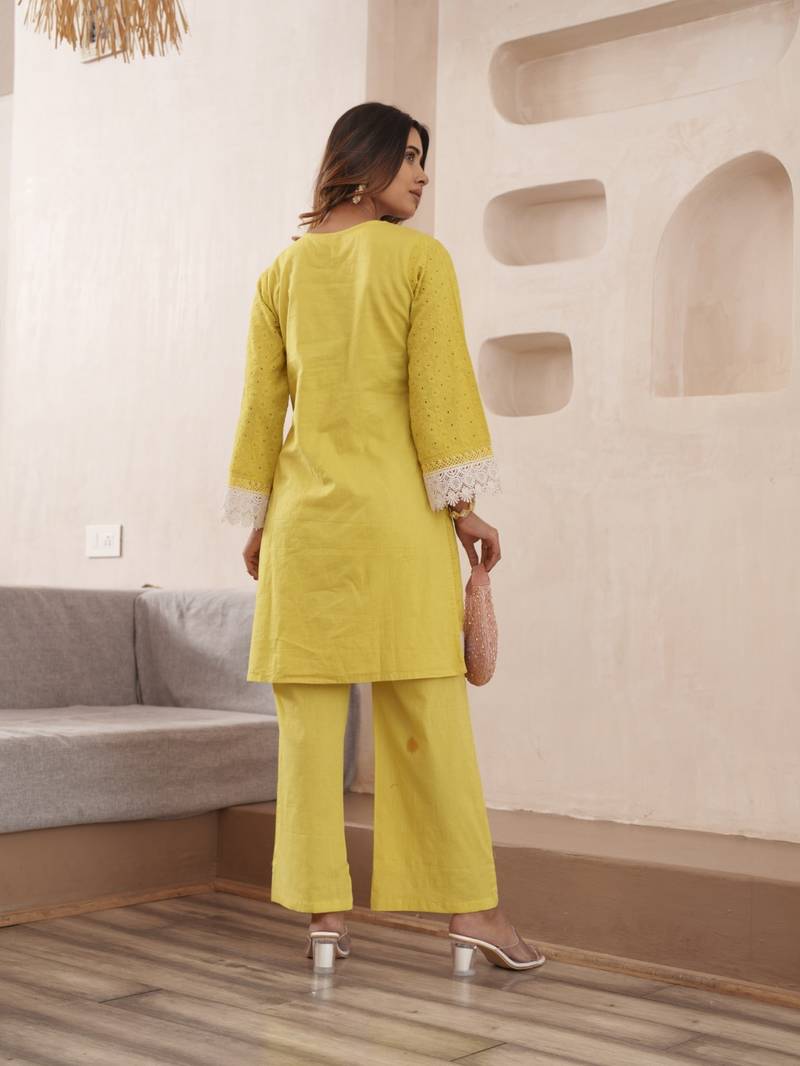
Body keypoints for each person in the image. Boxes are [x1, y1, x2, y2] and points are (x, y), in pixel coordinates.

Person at [221, 101, 546, 975]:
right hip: (399, 526)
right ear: (360, 162)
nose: (422, 174)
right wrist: (465, 507)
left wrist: (257, 521)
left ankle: (325, 918)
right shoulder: (420, 261)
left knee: (309, 732)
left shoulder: (279, 275)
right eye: (408, 155)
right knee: (431, 721)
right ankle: (474, 913)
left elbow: (260, 409)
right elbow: (439, 391)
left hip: (306, 530)